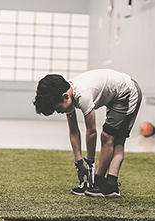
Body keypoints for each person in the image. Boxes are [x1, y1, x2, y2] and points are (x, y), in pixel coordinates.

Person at [33, 69, 142, 198]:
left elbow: (91, 132)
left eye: (58, 109)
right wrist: (79, 162)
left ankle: (105, 184)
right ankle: (104, 184)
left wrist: (90, 164)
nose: (59, 112)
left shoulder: (82, 95)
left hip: (128, 92)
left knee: (112, 138)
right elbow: (74, 131)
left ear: (65, 96)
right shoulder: (68, 94)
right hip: (115, 97)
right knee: (110, 137)